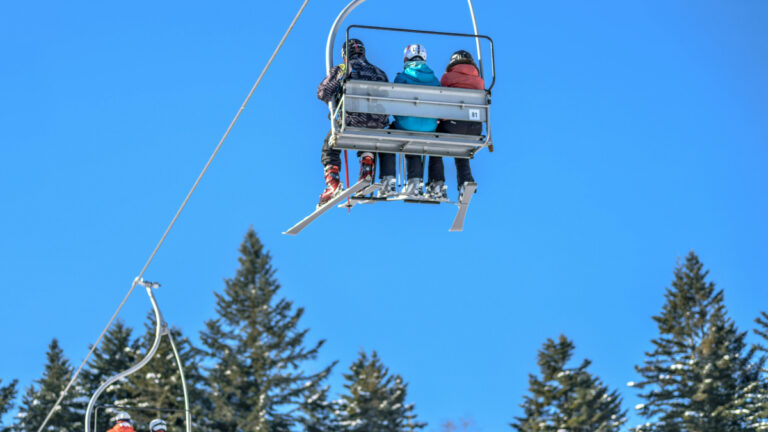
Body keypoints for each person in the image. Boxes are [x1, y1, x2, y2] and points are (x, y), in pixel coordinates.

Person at [317, 38, 389, 206]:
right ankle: (366, 169)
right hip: (376, 123)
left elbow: (322, 93)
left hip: (351, 120)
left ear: (345, 54)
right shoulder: (379, 73)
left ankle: (332, 183)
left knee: (330, 146)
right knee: (368, 134)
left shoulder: (344, 68)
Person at [381, 44, 441, 197]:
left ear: (406, 58)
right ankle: (416, 182)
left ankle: (389, 180)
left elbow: (394, 103)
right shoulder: (435, 80)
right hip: (430, 127)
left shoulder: (402, 77)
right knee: (415, 138)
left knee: (390, 136)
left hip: (407, 125)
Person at [426, 50, 484, 200]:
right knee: (461, 149)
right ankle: (466, 180)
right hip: (475, 128)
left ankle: (436, 182)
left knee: (434, 143)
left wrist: (439, 118)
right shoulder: (480, 81)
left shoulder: (448, 77)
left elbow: (442, 99)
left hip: (453, 124)